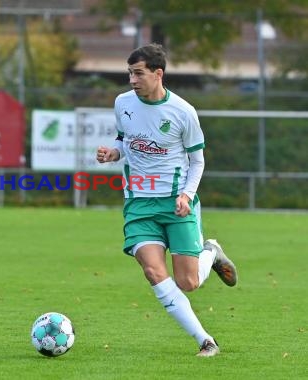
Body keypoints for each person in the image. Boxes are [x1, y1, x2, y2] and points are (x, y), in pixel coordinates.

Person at [97, 43, 237, 357]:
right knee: (153, 272)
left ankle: (211, 252)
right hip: (139, 204)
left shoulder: (183, 112)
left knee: (187, 282)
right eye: (129, 73)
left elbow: (198, 161)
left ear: (158, 73)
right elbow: (124, 140)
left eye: (138, 73)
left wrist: (187, 195)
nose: (132, 80)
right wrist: (113, 153)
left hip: (177, 203)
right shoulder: (123, 103)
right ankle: (205, 340)